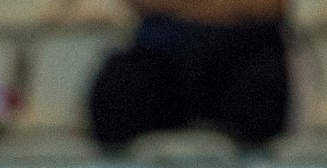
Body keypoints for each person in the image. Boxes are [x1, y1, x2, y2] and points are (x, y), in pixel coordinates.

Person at [88, 0, 290, 149]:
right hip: (160, 56)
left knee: (264, 89)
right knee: (118, 91)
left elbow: (271, 6)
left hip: (247, 57)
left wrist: (185, 7)